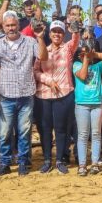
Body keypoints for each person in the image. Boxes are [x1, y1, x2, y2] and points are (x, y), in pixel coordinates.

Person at [0, 11, 45, 176]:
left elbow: (42, 56)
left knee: (24, 131)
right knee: (4, 132)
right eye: (8, 25)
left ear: (19, 25)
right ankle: (4, 162)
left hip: (26, 94)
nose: (11, 28)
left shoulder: (30, 41)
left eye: (13, 25)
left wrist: (40, 37)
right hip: (5, 96)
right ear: (3, 27)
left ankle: (23, 162)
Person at [35, 20, 77, 174]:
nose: (57, 34)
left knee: (61, 129)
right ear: (50, 34)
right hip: (44, 95)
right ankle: (47, 160)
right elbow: (36, 71)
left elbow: (75, 39)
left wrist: (75, 29)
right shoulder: (43, 50)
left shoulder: (68, 49)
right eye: (54, 31)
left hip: (64, 94)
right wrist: (49, 81)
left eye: (60, 31)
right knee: (45, 129)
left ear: (63, 33)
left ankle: (59, 159)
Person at [73, 42, 102, 176]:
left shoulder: (98, 66)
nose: (85, 56)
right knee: (83, 135)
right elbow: (83, 75)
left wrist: (94, 54)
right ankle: (82, 165)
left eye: (86, 53)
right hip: (82, 104)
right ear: (79, 55)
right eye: (82, 53)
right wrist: (85, 59)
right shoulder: (76, 65)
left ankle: (95, 163)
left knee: (96, 134)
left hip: (97, 103)